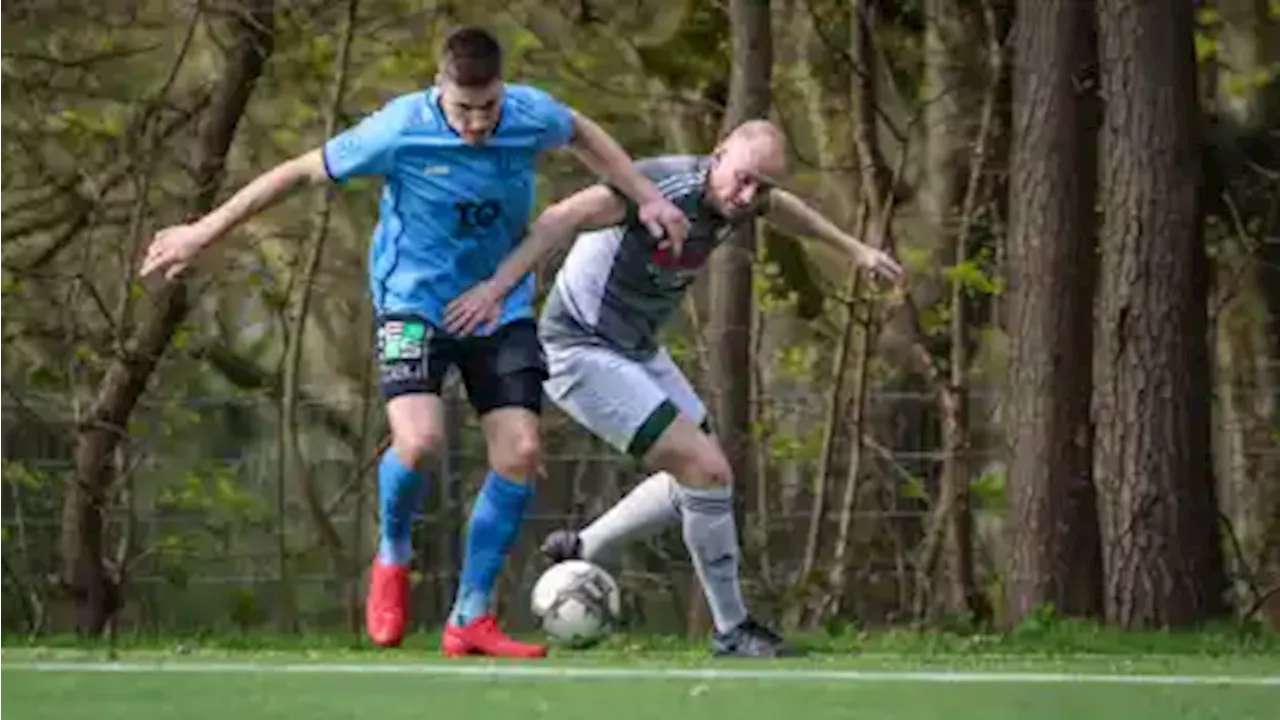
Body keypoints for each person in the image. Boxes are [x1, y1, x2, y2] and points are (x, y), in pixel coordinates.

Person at [139, 25, 689, 658]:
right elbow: (295, 173)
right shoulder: (398, 129)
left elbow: (585, 133)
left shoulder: (531, 113)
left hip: (498, 305)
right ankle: (393, 553)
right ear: (439, 90)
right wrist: (201, 233)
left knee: (521, 451)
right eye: (464, 109)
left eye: (490, 108)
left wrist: (646, 198)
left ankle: (470, 617)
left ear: (503, 92)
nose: (479, 123)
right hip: (413, 303)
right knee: (421, 441)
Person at [443, 119, 903, 657]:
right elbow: (560, 216)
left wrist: (855, 251)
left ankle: (584, 545)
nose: (749, 195)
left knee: (703, 478)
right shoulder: (658, 191)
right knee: (706, 470)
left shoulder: (744, 199)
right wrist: (498, 288)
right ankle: (732, 629)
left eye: (763, 186)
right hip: (578, 348)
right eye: (744, 179)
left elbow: (783, 209)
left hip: (635, 349)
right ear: (717, 156)